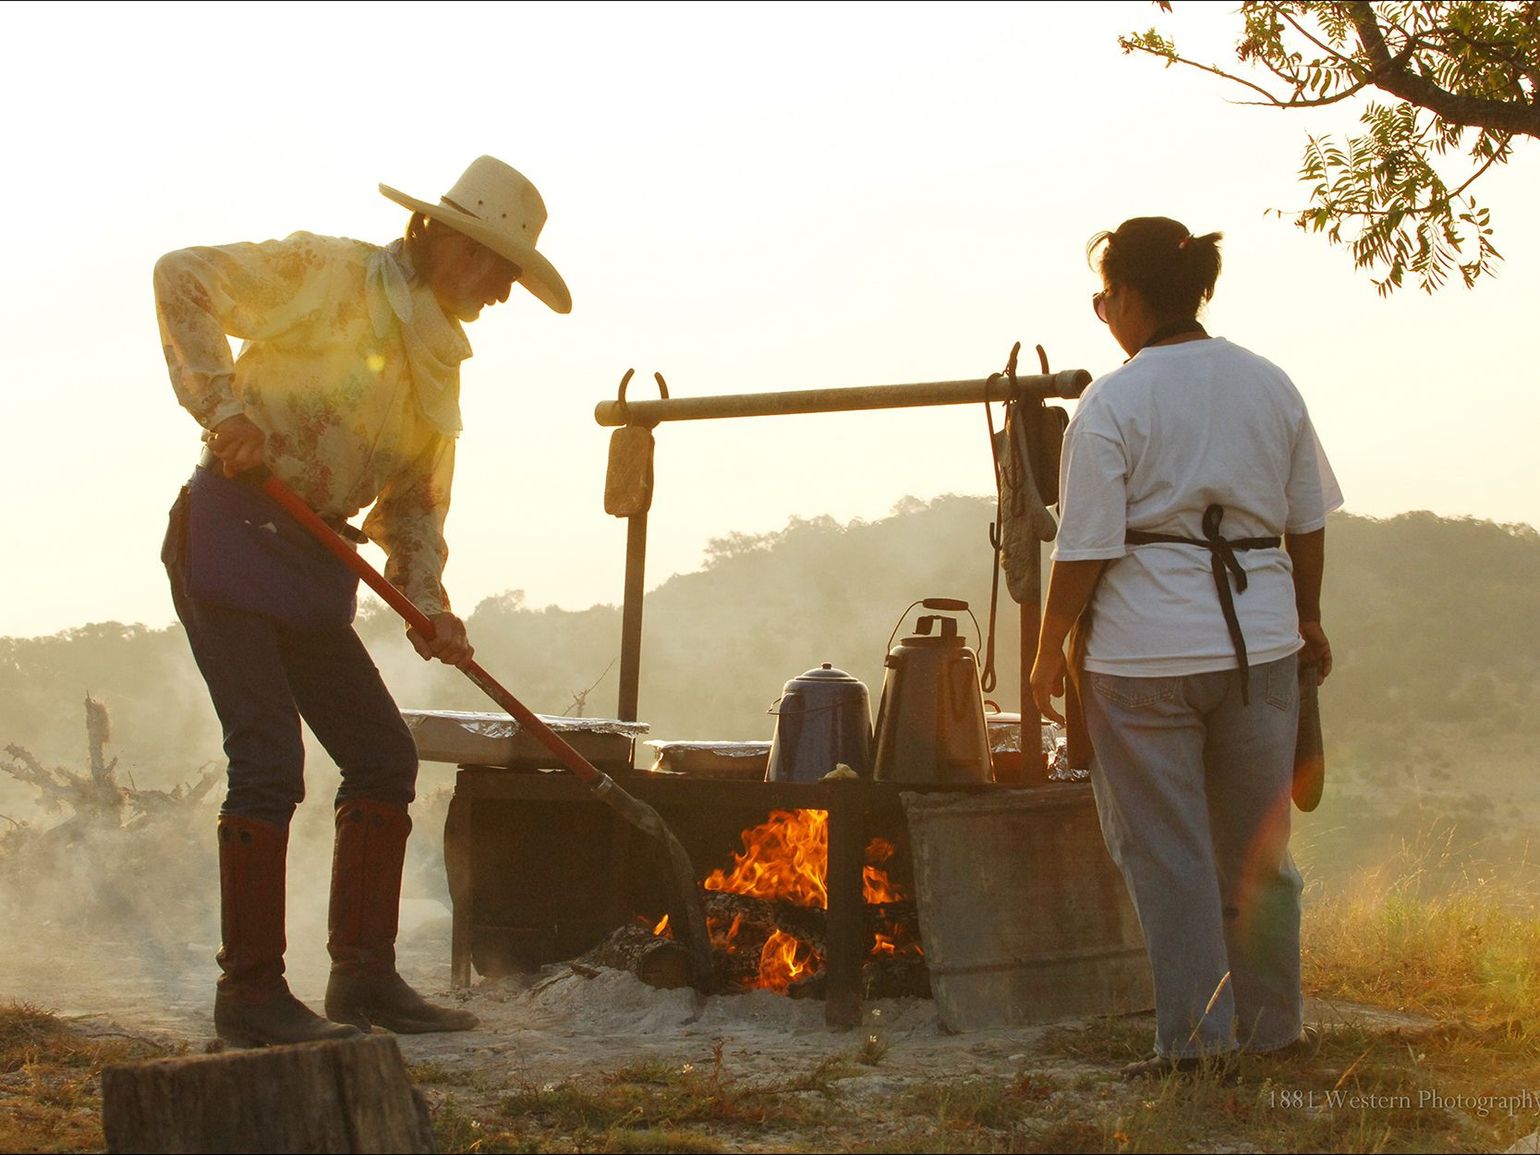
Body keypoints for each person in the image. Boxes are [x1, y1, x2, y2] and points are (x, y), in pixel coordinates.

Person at [155, 156, 571, 1047]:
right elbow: (180, 275)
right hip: (229, 535)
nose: (501, 294)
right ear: (450, 241)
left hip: (313, 561)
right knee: (268, 762)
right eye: (498, 268)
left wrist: (430, 603)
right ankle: (251, 995)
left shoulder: (438, 369)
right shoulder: (326, 275)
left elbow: (415, 504)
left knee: (383, 756)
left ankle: (366, 980)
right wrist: (222, 407)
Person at [1029, 217, 1339, 1078]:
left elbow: (1085, 546)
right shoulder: (1267, 383)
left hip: (1143, 661)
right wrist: (1306, 616)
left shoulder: (1113, 402)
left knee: (1170, 856)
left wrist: (1049, 648)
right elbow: (1305, 518)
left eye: (1102, 298)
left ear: (1128, 296)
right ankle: (1274, 1032)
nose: (1102, 312)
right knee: (1258, 852)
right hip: (1260, 648)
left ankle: (1197, 1047)